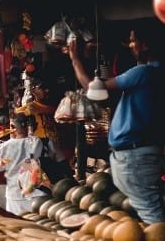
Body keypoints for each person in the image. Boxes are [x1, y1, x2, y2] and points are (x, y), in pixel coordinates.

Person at [69, 27, 165, 224]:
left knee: (151, 214)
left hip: (134, 157)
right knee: (148, 209)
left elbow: (93, 89)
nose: (130, 45)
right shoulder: (154, 73)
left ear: (146, 44)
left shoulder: (144, 72)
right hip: (142, 154)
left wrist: (75, 60)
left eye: (133, 40)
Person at [0, 114, 51, 215]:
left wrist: (15, 179)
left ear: (13, 127)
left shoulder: (1, 149)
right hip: (42, 194)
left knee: (20, 228)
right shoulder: (45, 143)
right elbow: (63, 164)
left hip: (15, 197)